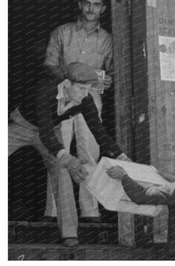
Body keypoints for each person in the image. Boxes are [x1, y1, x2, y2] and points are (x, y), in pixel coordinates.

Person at [8, 62, 130, 247]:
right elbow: (45, 131)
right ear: (66, 84)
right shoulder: (46, 90)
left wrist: (122, 157)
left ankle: (69, 234)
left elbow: (99, 132)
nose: (85, 93)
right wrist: (67, 157)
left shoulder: (85, 100)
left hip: (50, 134)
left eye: (88, 89)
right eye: (81, 88)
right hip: (22, 127)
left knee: (62, 173)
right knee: (65, 162)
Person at [43, 0, 113, 223]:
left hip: (90, 98)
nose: (91, 8)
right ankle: (54, 212)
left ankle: (90, 211)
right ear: (80, 5)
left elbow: (113, 71)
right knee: (58, 152)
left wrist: (108, 80)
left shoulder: (107, 39)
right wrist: (71, 76)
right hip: (62, 95)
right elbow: (49, 64)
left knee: (90, 152)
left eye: (97, 4)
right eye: (87, 3)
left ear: (103, 8)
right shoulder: (62, 32)